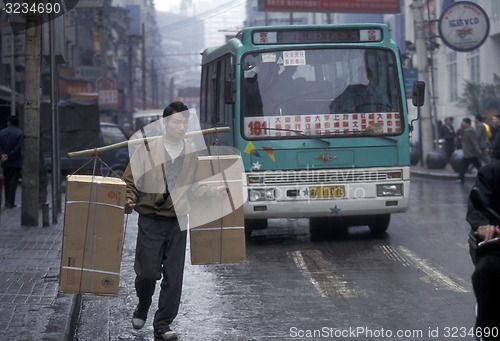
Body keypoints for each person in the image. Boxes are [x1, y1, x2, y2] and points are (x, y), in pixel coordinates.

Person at [122, 102, 224, 340]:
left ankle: (163, 324)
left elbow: (193, 188)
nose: (181, 126)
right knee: (147, 273)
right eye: (176, 122)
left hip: (178, 221)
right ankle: (143, 303)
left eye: (184, 122)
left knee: (174, 276)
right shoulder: (146, 151)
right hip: (150, 220)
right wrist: (128, 199)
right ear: (165, 123)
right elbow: (130, 182)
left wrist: (212, 191)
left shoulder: (190, 154)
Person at [466, 159, 500, 338]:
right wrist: (484, 225)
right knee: (486, 270)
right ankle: (487, 331)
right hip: (497, 245)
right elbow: (477, 208)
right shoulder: (490, 172)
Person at [0, 116, 23, 208]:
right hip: (15, 161)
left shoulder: (2, 132)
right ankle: (10, 202)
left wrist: (3, 154)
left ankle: (6, 200)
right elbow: (18, 147)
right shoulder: (19, 133)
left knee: (6, 181)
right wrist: (10, 155)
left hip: (4, 161)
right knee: (13, 182)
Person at [457, 117, 482, 184]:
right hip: (468, 152)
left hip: (470, 152)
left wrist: (478, 150)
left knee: (466, 165)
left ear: (467, 123)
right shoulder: (465, 130)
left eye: (464, 122)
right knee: (476, 165)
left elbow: (474, 141)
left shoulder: (470, 130)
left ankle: (461, 179)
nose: (462, 123)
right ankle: (460, 178)